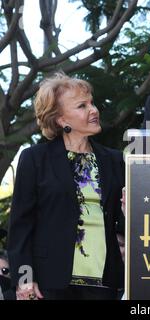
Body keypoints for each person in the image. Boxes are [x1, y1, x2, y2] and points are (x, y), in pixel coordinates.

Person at [7, 72, 125, 300]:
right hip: (49, 283)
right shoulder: (34, 159)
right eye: (82, 106)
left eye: (92, 103)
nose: (93, 110)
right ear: (61, 119)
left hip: (104, 282)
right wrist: (24, 280)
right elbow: (20, 226)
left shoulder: (115, 160)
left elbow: (124, 223)